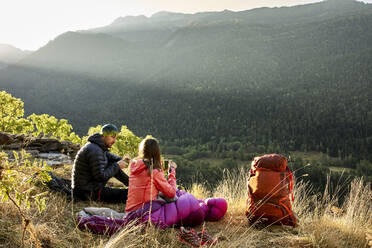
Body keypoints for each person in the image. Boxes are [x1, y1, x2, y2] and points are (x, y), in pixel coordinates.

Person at [72, 124, 130, 203]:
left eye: (115, 138)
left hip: (89, 188)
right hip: (87, 193)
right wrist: (117, 166)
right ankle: (134, 188)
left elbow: (113, 158)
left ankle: (132, 184)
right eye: (112, 137)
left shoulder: (98, 147)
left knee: (113, 164)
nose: (115, 141)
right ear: (104, 135)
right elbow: (100, 176)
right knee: (126, 194)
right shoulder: (95, 150)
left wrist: (122, 160)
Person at [125, 136, 177, 212]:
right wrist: (172, 171)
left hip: (129, 211)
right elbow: (171, 193)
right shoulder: (154, 172)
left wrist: (160, 170)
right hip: (143, 212)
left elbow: (150, 182)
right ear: (156, 152)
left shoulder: (134, 167)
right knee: (174, 198)